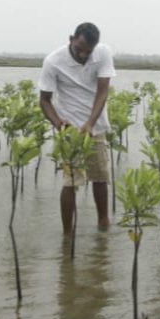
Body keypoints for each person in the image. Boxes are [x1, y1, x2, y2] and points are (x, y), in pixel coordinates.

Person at [38, 22, 116, 235]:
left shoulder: (103, 53)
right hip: (69, 130)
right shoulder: (53, 61)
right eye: (78, 48)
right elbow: (44, 100)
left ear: (95, 47)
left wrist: (90, 123)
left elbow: (102, 92)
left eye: (87, 51)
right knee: (70, 181)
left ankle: (103, 223)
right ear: (71, 39)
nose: (82, 54)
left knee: (100, 177)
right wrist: (58, 123)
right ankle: (67, 234)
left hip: (96, 125)